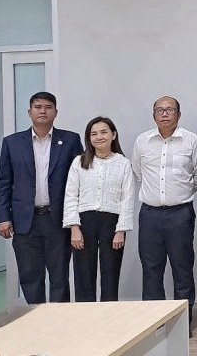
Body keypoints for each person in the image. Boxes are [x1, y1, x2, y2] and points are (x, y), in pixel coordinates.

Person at [0, 92, 83, 304]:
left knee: (59, 276)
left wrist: (76, 220)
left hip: (57, 220)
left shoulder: (70, 140)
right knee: (30, 276)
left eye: (48, 107)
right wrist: (3, 217)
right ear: (30, 112)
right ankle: (35, 318)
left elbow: (80, 180)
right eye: (38, 107)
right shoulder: (12, 143)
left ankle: (59, 320)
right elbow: (4, 183)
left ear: (56, 112)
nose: (43, 111)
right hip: (25, 221)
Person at [131, 96, 197, 327]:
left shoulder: (191, 140)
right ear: (153, 115)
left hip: (180, 214)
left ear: (179, 115)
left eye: (170, 110)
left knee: (182, 268)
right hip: (150, 215)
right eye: (159, 110)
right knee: (151, 269)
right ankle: (154, 323)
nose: (164, 114)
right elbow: (138, 174)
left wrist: (178, 194)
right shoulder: (142, 141)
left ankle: (182, 323)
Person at [63, 116, 134, 301]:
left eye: (104, 132)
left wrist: (121, 231)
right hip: (84, 223)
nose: (99, 137)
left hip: (112, 224)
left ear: (113, 135)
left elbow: (127, 199)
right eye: (93, 134)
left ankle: (109, 316)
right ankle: (86, 316)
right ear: (89, 138)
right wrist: (74, 228)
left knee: (111, 273)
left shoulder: (123, 163)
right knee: (83, 274)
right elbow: (71, 196)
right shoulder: (79, 162)